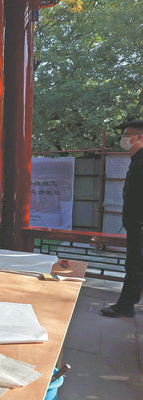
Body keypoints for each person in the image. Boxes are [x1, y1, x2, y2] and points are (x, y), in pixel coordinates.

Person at [101, 119, 143, 318]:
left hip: (140, 224)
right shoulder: (137, 160)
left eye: (127, 134)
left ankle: (125, 306)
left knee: (134, 264)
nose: (123, 138)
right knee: (135, 264)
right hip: (136, 224)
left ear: (139, 137)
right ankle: (128, 302)